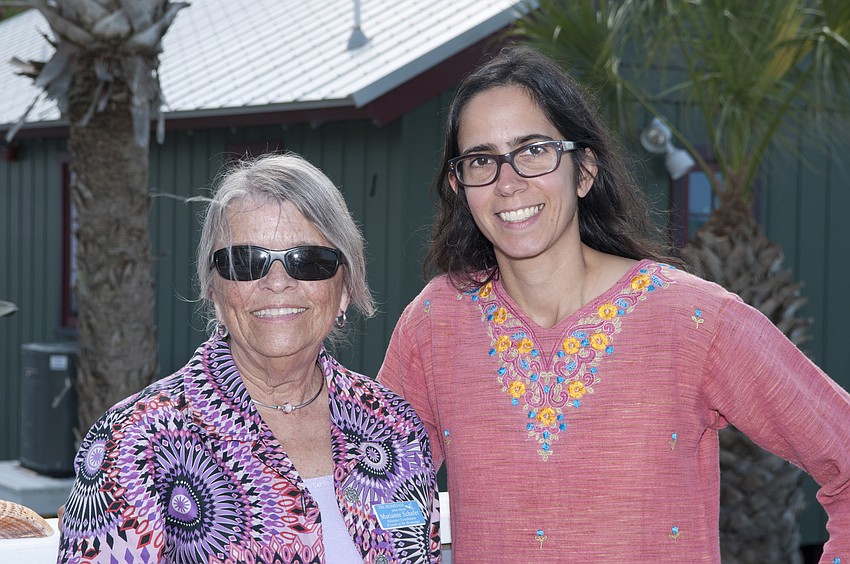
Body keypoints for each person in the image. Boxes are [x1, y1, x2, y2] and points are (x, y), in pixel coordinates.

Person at [377, 45, 850, 561]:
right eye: (482, 160)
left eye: (534, 150)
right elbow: (377, 491)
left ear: (583, 170)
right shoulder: (436, 322)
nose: (507, 183)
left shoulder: (691, 319)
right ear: (459, 184)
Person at [58, 153, 441, 563]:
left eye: (308, 261)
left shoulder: (393, 426)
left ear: (345, 287)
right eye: (246, 262)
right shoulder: (136, 440)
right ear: (214, 291)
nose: (278, 282)